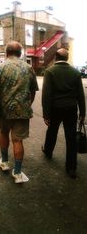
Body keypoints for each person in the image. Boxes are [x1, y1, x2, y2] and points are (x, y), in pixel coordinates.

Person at [0, 41, 39, 183]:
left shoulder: (0, 67)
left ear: (6, 53)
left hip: (4, 110)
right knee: (18, 140)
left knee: (3, 133)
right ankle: (17, 173)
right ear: (20, 53)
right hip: (22, 111)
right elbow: (33, 91)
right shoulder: (28, 68)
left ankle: (4, 162)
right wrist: (26, 105)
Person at [41, 48, 86, 179]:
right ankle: (71, 168)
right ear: (66, 58)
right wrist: (82, 112)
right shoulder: (75, 72)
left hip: (55, 109)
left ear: (55, 58)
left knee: (52, 131)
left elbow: (46, 95)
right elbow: (80, 95)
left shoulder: (50, 71)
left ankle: (48, 151)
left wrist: (46, 114)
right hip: (71, 109)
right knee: (71, 137)